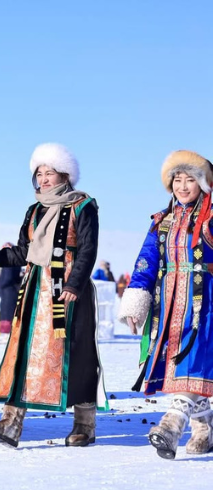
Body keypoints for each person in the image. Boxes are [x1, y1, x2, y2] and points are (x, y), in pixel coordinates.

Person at [0, 143, 106, 449]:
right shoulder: (35, 209)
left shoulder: (83, 205)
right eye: (39, 173)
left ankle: (84, 425)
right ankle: (11, 423)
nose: (45, 178)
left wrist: (75, 285)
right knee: (22, 353)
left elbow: (88, 249)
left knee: (77, 356)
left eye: (50, 172)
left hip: (68, 292)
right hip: (35, 290)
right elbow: (24, 252)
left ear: (65, 174)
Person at [118, 150, 213, 459]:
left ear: (203, 183)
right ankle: (207, 427)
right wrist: (135, 303)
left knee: (192, 362)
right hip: (169, 305)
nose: (183, 186)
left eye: (190, 180)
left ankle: (171, 426)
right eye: (177, 180)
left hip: (205, 305)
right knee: (179, 367)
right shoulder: (163, 220)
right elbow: (146, 262)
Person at [0, 242, 22, 335]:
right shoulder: (14, 260)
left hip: (8, 292)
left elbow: (7, 279)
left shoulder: (9, 262)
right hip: (10, 292)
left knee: (6, 313)